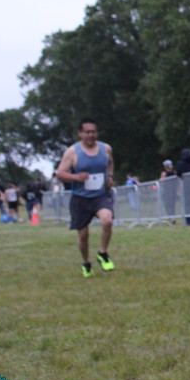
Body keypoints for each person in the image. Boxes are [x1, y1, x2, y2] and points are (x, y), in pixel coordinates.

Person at [55, 118, 117, 278]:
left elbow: (110, 163)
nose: (91, 135)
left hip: (101, 195)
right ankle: (86, 263)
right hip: (80, 198)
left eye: (93, 132)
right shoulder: (72, 152)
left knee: (107, 220)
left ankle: (102, 253)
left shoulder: (106, 148)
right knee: (83, 236)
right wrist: (76, 177)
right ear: (80, 133)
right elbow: (60, 173)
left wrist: (110, 176)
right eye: (87, 132)